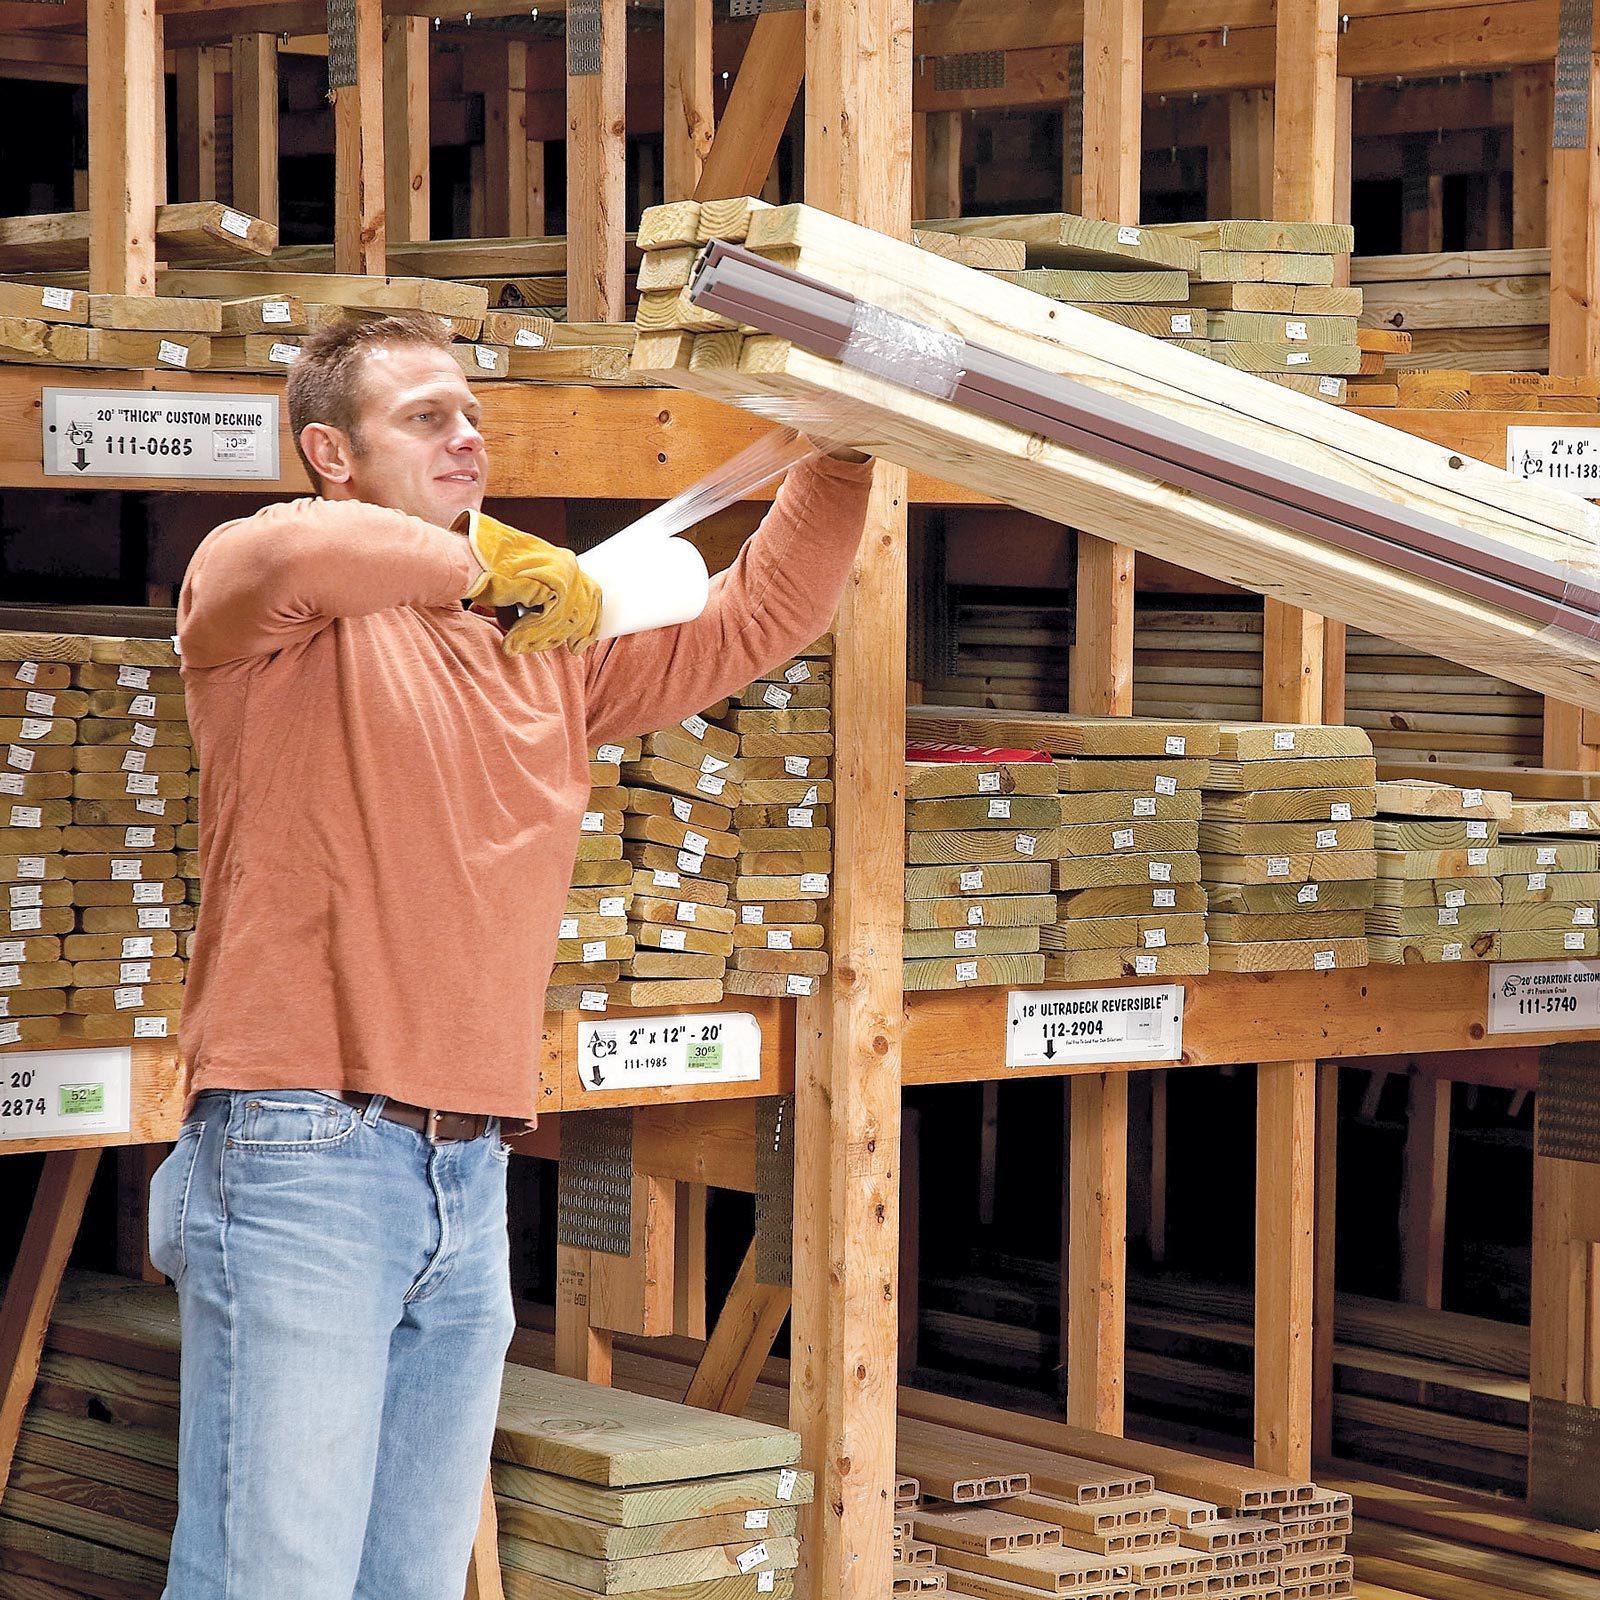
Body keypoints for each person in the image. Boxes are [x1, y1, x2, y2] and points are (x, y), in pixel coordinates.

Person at [149, 312, 873, 1600]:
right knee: (276, 1580)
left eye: (470, 415)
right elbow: (303, 552)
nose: (466, 437)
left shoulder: (548, 650)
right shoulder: (270, 610)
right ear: (330, 451)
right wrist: (494, 577)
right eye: (425, 418)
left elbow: (757, 615)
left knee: (407, 1581)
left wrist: (850, 447)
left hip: (467, 1167)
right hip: (297, 1147)